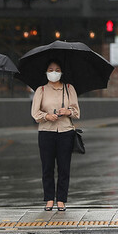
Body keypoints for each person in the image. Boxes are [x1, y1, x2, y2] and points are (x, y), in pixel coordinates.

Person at [30, 61, 80, 211]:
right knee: (47, 167)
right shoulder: (41, 90)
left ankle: (62, 200)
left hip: (66, 131)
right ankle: (49, 199)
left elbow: (77, 111)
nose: (54, 72)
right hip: (46, 132)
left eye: (57, 69)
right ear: (46, 72)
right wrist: (46, 116)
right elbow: (35, 113)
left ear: (62, 72)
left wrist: (68, 112)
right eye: (50, 69)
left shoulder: (69, 88)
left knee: (64, 167)